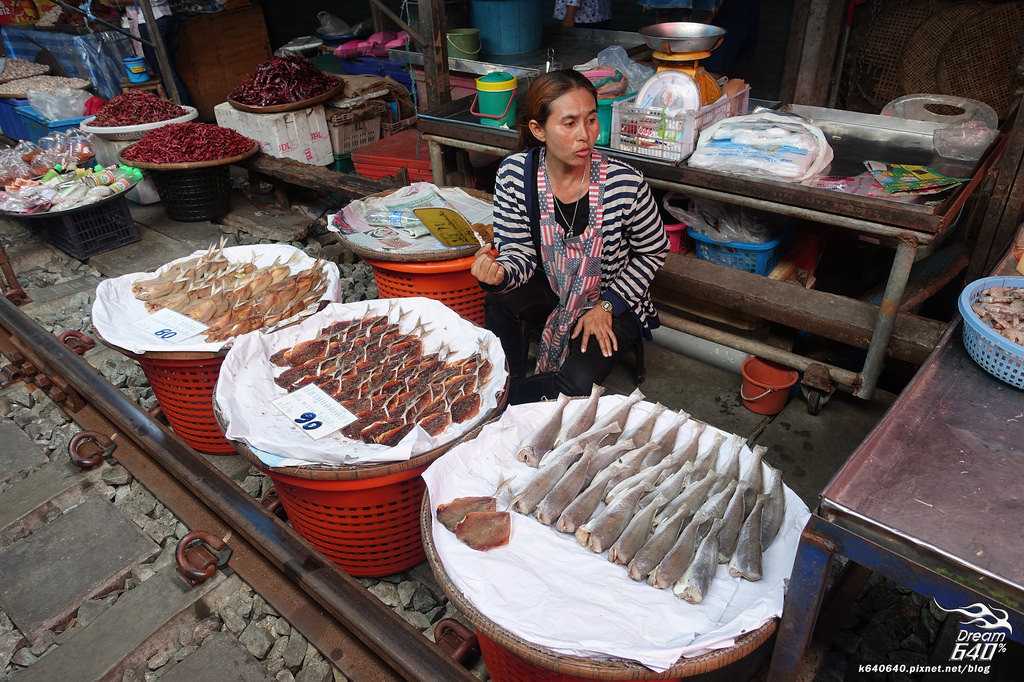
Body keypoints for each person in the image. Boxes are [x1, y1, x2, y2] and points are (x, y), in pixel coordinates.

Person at [472, 70, 668, 405]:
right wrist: (501, 272)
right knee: (498, 300)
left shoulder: (625, 183)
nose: (587, 135)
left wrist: (607, 305)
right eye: (570, 123)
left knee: (574, 384)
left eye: (591, 120)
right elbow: (519, 250)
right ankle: (507, 380)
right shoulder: (516, 174)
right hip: (552, 286)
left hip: (610, 299)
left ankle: (497, 403)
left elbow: (653, 251)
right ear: (538, 130)